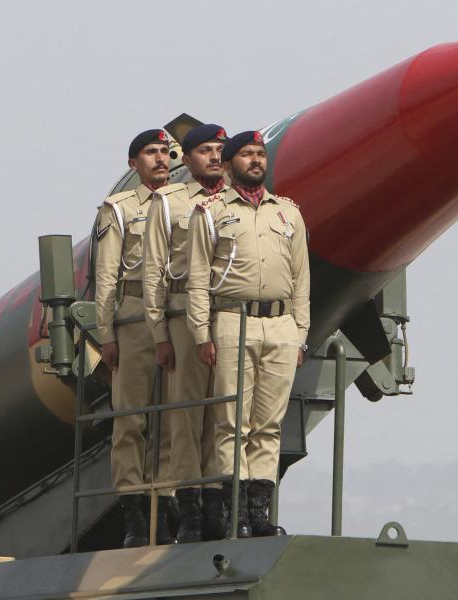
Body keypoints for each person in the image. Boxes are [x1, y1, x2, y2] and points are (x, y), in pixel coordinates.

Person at [185, 130, 310, 538]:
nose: (256, 160)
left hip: (279, 325)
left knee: (268, 424)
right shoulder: (211, 211)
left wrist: (300, 334)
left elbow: (300, 279)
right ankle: (232, 513)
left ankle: (259, 516)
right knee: (230, 422)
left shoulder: (287, 213)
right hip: (231, 322)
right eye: (247, 154)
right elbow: (199, 279)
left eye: (260, 154)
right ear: (229, 163)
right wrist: (202, 333)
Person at [141, 124, 230, 543]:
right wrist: (159, 332)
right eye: (205, 150)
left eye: (219, 150)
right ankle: (190, 511)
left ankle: (217, 507)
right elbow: (154, 269)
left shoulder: (238, 203)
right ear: (189, 158)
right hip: (182, 319)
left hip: (229, 319)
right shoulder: (169, 202)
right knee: (186, 417)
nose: (214, 156)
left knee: (224, 417)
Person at [94, 128, 174, 547]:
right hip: (135, 321)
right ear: (133, 164)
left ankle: (167, 507)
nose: (160, 159)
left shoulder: (185, 204)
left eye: (165, 152)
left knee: (172, 419)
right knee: (132, 420)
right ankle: (135, 515)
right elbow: (107, 276)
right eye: (150, 152)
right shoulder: (120, 209)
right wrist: (106, 333)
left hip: (176, 321)